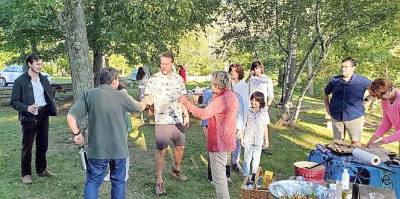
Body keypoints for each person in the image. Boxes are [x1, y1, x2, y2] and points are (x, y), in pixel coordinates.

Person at [66, 67, 152, 199]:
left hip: (97, 150)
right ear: (114, 81)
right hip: (119, 149)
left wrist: (77, 134)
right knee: (118, 183)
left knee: (93, 182)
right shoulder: (121, 95)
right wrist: (147, 100)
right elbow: (139, 107)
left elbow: (71, 117)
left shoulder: (89, 94)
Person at [180, 71, 238, 199]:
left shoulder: (221, 99)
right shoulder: (231, 95)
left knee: (219, 179)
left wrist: (185, 102)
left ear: (218, 84)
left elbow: (203, 114)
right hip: (227, 139)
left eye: (212, 82)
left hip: (219, 142)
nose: (210, 85)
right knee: (221, 176)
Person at [144, 52, 190, 196]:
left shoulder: (178, 79)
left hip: (177, 119)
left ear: (172, 64)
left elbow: (183, 98)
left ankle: (176, 169)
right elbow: (148, 97)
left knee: (180, 148)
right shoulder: (154, 79)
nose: (163, 66)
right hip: (162, 120)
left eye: (166, 63)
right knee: (161, 151)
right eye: (162, 63)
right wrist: (149, 105)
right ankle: (159, 180)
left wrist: (186, 114)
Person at [10, 54, 57, 184]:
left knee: (43, 144)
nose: (40, 66)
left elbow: (47, 95)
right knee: (27, 146)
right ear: (29, 64)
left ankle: (41, 169)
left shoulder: (44, 79)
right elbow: (14, 101)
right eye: (37, 64)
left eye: (41, 64)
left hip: (43, 114)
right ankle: (25, 174)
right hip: (29, 116)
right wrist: (26, 108)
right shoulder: (20, 81)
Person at [323, 57, 371, 145]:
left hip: (354, 116)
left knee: (355, 143)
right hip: (336, 115)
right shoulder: (335, 80)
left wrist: (366, 101)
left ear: (353, 68)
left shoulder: (362, 81)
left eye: (346, 67)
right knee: (337, 143)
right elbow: (325, 93)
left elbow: (375, 91)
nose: (343, 69)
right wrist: (327, 107)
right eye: (342, 66)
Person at [103, 80, 132, 182]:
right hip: (110, 125)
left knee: (122, 150)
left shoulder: (122, 93)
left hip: (121, 125)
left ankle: (125, 173)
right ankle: (111, 172)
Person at [240, 92, 269, 178]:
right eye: (252, 100)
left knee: (256, 159)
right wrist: (242, 138)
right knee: (247, 159)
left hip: (259, 140)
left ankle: (254, 175)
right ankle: (246, 175)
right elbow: (243, 125)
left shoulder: (264, 112)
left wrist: (266, 139)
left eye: (256, 100)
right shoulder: (247, 111)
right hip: (248, 139)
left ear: (261, 102)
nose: (253, 102)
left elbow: (265, 126)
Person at [247, 61, 274, 150]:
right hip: (251, 105)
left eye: (257, 68)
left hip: (262, 106)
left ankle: (263, 143)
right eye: (254, 68)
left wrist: (267, 106)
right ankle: (249, 142)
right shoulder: (251, 79)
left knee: (262, 124)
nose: (256, 70)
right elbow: (245, 88)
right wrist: (249, 76)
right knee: (250, 124)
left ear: (261, 68)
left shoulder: (267, 79)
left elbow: (271, 95)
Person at [367, 78, 400, 148]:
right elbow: (386, 123)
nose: (379, 99)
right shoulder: (385, 101)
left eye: (379, 96)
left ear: (388, 90)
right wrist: (373, 138)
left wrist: (382, 141)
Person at [228, 63, 248, 173]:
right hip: (228, 117)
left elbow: (245, 104)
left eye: (235, 71)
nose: (232, 73)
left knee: (237, 140)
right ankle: (226, 161)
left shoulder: (243, 85)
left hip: (239, 117)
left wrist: (244, 124)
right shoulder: (228, 83)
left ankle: (235, 161)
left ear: (239, 72)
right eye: (231, 70)